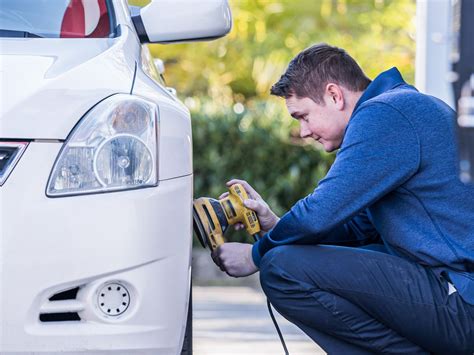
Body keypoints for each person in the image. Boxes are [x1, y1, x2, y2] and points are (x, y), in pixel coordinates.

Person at [212, 43, 474, 354]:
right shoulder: (399, 109)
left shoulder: (386, 114)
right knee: (291, 257)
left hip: (462, 299)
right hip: (452, 292)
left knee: (281, 267)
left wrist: (254, 255)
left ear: (335, 95)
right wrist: (275, 225)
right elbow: (357, 229)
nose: (304, 131)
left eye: (304, 116)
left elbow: (320, 212)